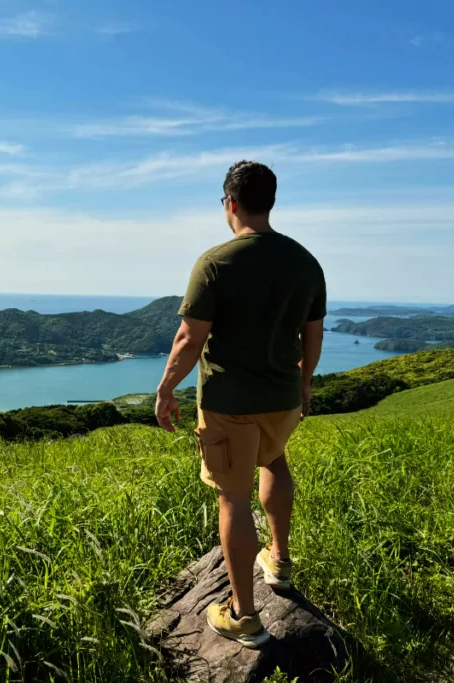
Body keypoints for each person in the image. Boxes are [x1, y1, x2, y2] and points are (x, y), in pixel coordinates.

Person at [154, 160, 326, 649]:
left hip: (230, 403)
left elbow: (189, 337)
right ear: (269, 201)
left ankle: (244, 615)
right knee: (274, 460)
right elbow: (311, 335)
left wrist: (166, 390)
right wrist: (306, 382)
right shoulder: (305, 263)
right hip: (283, 398)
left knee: (232, 498)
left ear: (229, 202)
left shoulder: (216, 262)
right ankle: (281, 560)